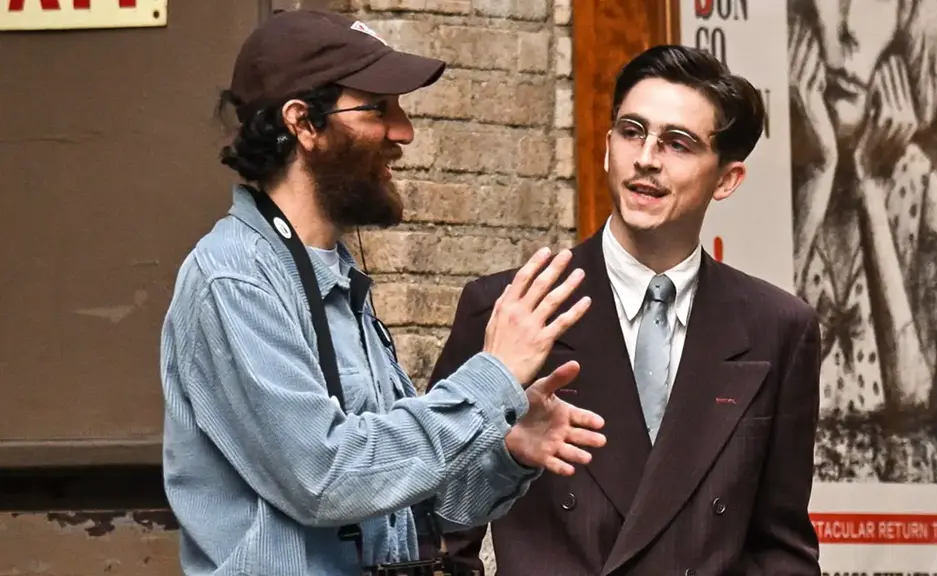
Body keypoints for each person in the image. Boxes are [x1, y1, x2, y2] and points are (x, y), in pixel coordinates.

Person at [158, 9, 605, 576]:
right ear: (304, 123)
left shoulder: (335, 279)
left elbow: (418, 503)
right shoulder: (234, 279)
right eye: (377, 108)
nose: (404, 132)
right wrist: (491, 376)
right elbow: (326, 480)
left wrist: (507, 450)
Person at [429, 44, 822, 575]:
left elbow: (782, 547)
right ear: (608, 147)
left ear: (727, 179)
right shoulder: (514, 307)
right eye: (632, 131)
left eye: (678, 144)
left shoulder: (778, 328)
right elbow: (435, 525)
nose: (646, 158)